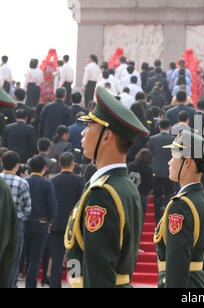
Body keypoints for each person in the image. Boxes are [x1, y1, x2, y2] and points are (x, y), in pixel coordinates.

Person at [64, 87, 149, 288]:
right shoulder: (121, 185)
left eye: (89, 125)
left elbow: (99, 272)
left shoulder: (102, 193)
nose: (83, 132)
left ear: (106, 136)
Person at [154, 130, 204, 288]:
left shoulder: (180, 205)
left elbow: (176, 263)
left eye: (173, 156)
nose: (169, 162)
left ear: (187, 161)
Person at [49, 152, 84, 288]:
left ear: (59, 164)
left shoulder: (53, 180)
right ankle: (75, 284)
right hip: (73, 224)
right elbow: (80, 203)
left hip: (56, 223)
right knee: (74, 257)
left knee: (57, 257)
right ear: (73, 164)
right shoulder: (79, 180)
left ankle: (54, 285)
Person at [24, 155, 57, 288]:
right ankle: (30, 285)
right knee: (36, 259)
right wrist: (51, 221)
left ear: (30, 167)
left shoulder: (24, 181)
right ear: (44, 168)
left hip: (26, 222)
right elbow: (52, 205)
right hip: (41, 224)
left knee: (27, 257)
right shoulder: (47, 183)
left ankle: (27, 283)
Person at [0, 151, 31, 288]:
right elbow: (28, 208)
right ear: (17, 166)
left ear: (2, 163)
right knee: (13, 258)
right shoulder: (22, 183)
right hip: (15, 224)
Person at [149, 119, 175, 224]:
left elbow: (149, 154)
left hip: (156, 171)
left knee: (157, 195)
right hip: (169, 170)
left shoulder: (152, 139)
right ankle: (165, 209)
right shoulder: (173, 139)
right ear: (170, 127)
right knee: (169, 192)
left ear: (159, 127)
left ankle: (157, 218)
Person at [128, 149, 153, 221]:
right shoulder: (149, 169)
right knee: (139, 220)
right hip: (142, 196)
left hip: (129, 195)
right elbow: (150, 184)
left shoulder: (130, 165)